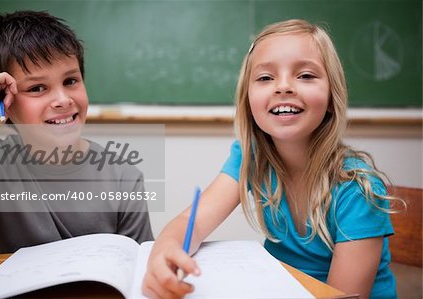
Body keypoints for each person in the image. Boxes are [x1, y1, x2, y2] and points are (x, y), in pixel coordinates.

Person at [142, 19, 400, 299]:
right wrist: (166, 248)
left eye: (305, 76)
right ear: (248, 100)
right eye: (265, 78)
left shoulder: (358, 190)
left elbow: (339, 297)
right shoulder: (251, 156)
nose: (284, 87)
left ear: (331, 97)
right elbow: (190, 222)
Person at [0, 11, 153, 254]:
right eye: (37, 88)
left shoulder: (123, 176)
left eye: (70, 81)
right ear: (4, 100)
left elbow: (136, 264)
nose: (62, 100)